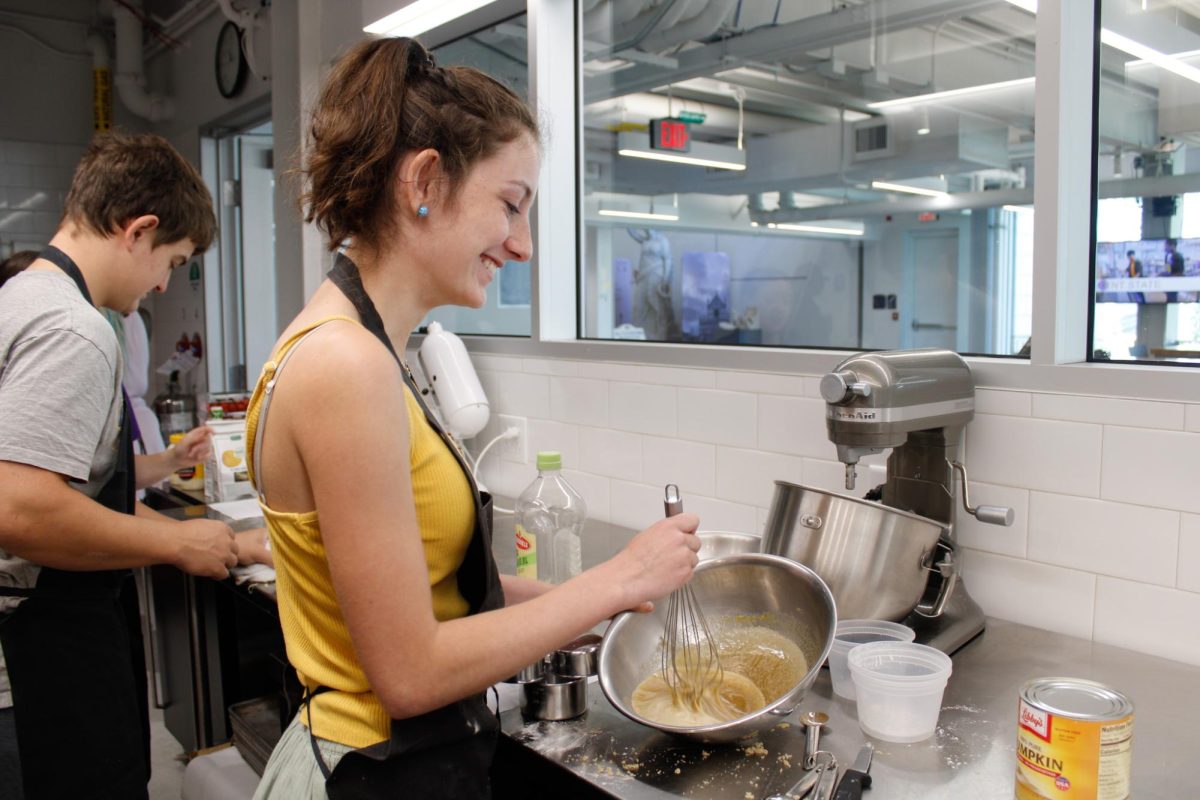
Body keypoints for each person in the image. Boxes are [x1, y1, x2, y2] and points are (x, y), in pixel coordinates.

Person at [247, 38, 700, 799]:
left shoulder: (362, 349)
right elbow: (409, 672)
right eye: (510, 204)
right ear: (424, 179)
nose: (521, 245)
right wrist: (616, 578)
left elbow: (437, 595)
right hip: (375, 770)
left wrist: (602, 596)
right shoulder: (345, 367)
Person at [0, 132, 241, 799]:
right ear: (138, 230)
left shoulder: (23, 295)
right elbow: (19, 507)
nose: (165, 282)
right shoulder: (74, 328)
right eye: (173, 260)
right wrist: (175, 540)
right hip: (40, 633)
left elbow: (65, 481)